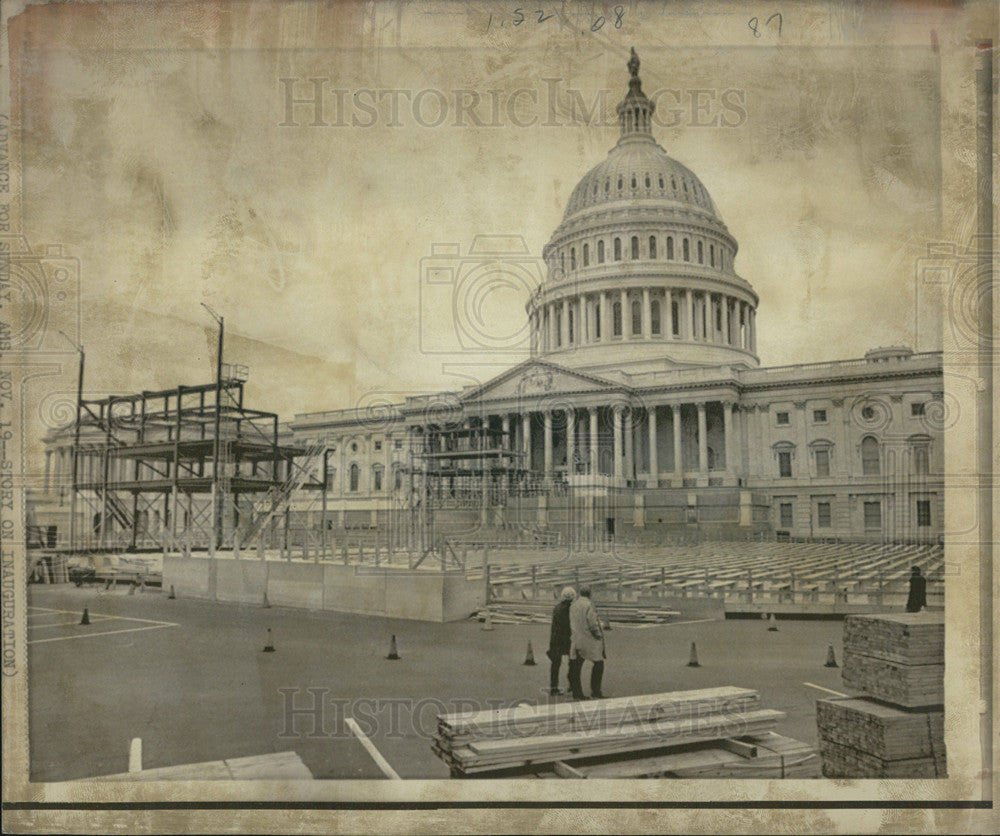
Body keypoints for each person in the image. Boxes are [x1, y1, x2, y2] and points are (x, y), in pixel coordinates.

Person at [568, 585, 606, 700]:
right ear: (590, 594)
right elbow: (592, 623)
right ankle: (595, 690)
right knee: (598, 663)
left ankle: (577, 692)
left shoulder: (573, 605)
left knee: (576, 666)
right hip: (589, 639)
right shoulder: (589, 605)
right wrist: (599, 635)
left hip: (576, 638)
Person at [546, 587, 576, 695]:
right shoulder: (572, 609)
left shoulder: (557, 608)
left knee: (555, 665)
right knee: (573, 662)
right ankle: (572, 684)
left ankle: (554, 688)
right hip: (568, 639)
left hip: (556, 639)